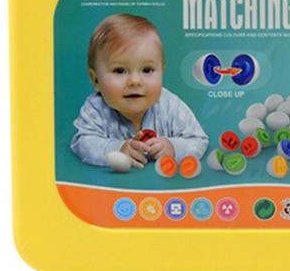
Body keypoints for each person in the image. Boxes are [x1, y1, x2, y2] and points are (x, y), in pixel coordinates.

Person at [71, 13, 208, 167]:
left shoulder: (170, 105)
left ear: (162, 72)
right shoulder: (97, 109)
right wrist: (117, 150)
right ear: (96, 80)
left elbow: (198, 139)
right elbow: (82, 142)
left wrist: (173, 148)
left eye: (147, 70)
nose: (135, 81)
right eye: (119, 70)